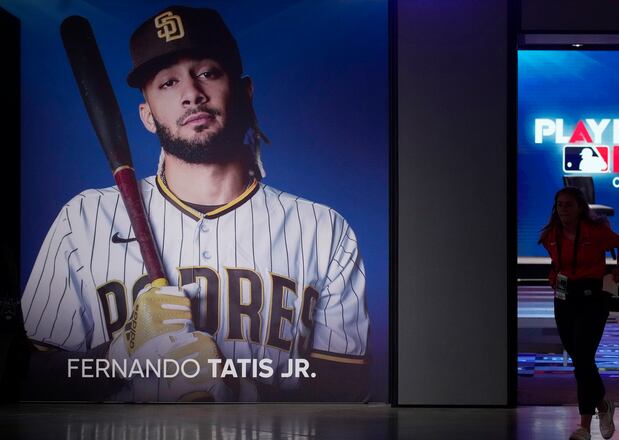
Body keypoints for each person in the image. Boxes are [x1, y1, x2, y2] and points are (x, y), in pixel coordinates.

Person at [21, 5, 369, 402]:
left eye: (207, 72)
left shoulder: (324, 230)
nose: (191, 94)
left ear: (244, 91)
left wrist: (242, 390)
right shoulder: (83, 221)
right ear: (147, 115)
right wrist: (120, 354)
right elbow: (27, 380)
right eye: (167, 83)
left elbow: (349, 386)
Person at [538, 186, 619, 440]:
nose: (563, 209)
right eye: (559, 205)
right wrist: (554, 274)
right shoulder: (550, 235)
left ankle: (584, 427)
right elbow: (556, 262)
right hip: (565, 298)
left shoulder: (596, 231)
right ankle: (603, 405)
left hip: (593, 298)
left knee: (583, 361)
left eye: (568, 204)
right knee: (580, 360)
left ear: (580, 208)